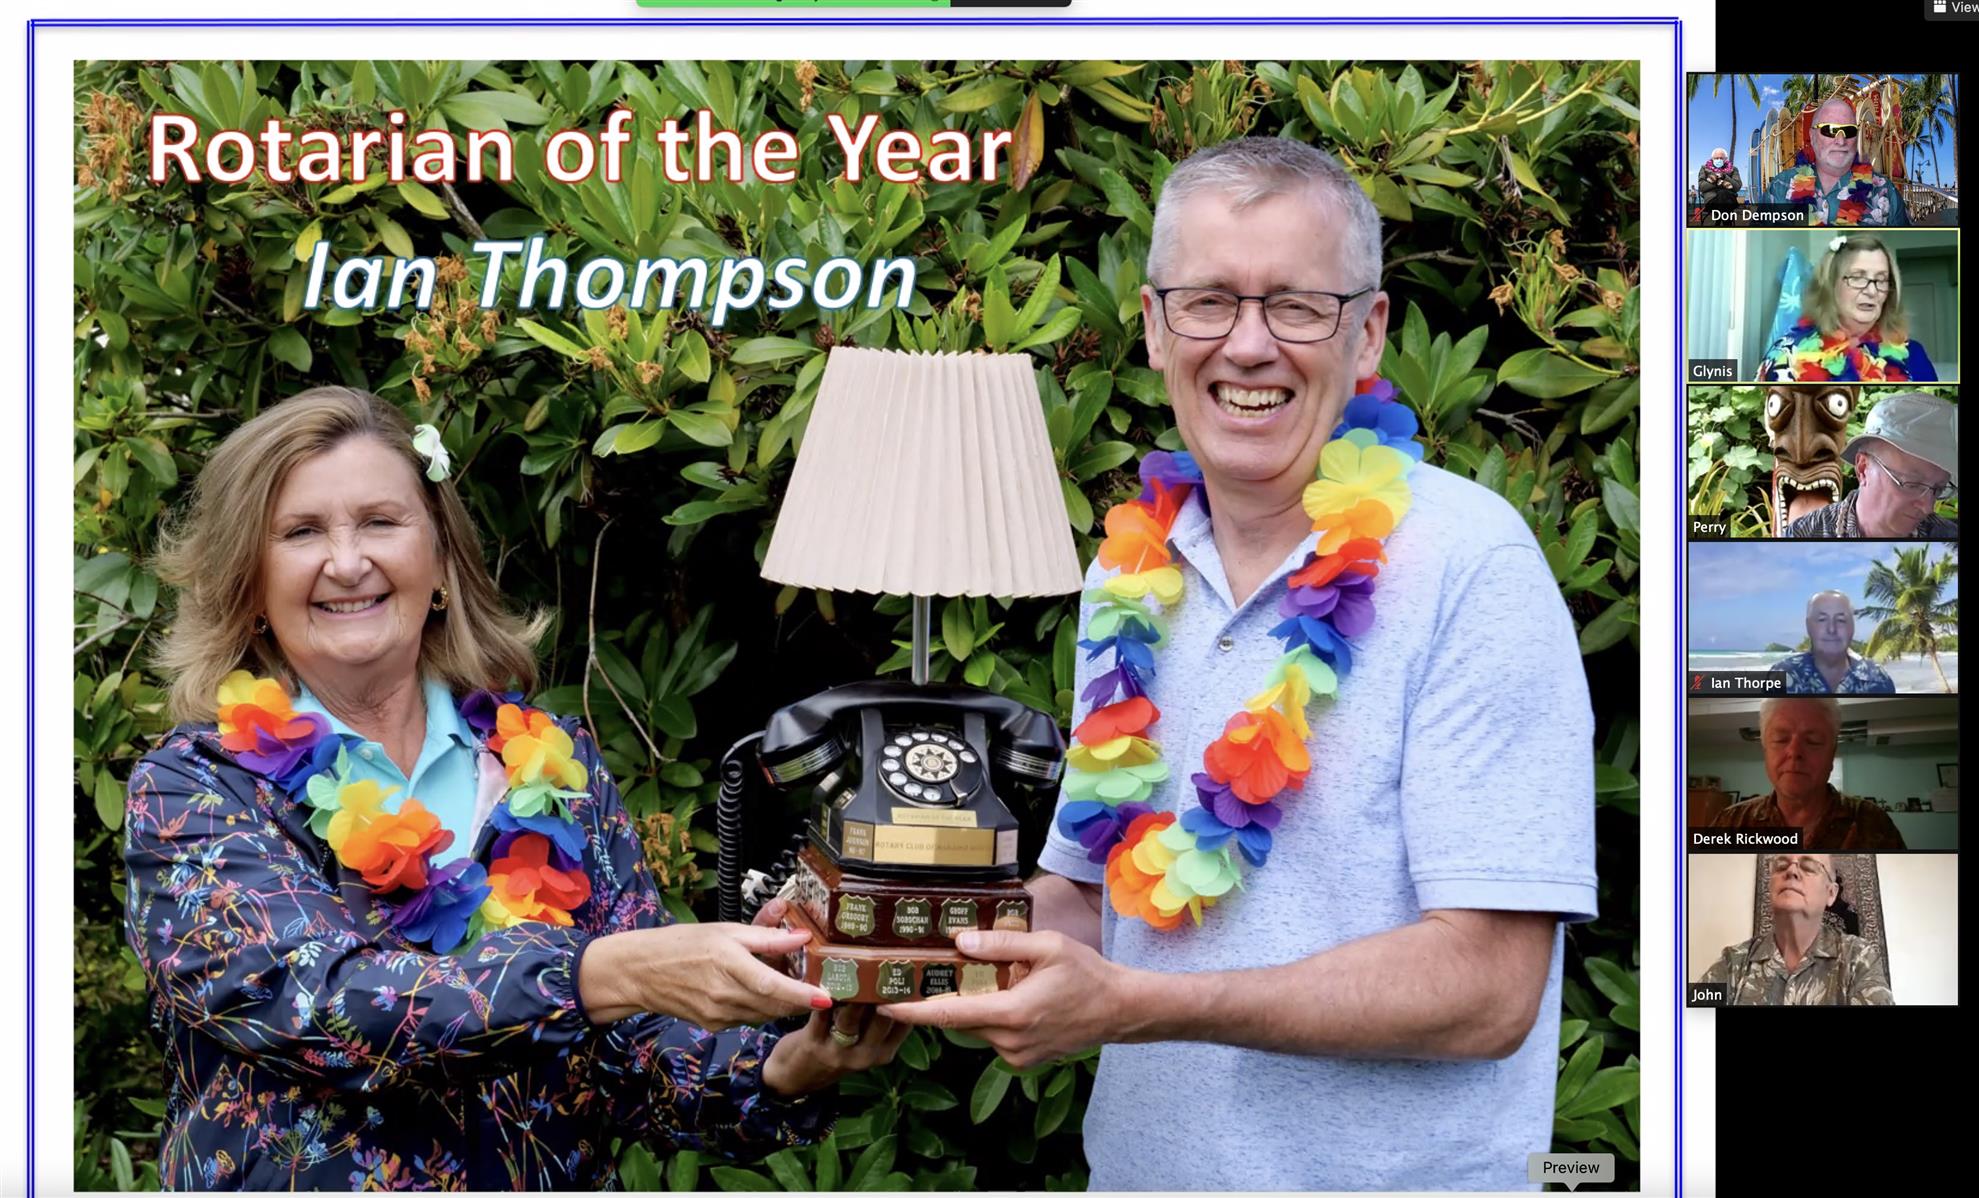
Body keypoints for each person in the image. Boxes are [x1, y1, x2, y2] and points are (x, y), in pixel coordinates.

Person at [878, 137, 1598, 1191]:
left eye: (1296, 305)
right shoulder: (1128, 574)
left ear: (1366, 332)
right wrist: (881, 941)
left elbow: (1487, 988)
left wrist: (1142, 1006)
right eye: (1207, 301)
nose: (1248, 345)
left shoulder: (1469, 562)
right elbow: (1085, 901)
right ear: (1154, 326)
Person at [123, 388, 905, 1190]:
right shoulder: (194, 788)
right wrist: (602, 974)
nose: (348, 562)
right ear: (249, 581)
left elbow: (637, 1051)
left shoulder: (551, 766)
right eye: (301, 532)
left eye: (381, 522)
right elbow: (317, 1009)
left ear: (440, 561)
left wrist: (788, 1066)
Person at [1708, 697, 1906, 849]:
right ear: (1765, 750)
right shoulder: (1730, 824)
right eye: (1781, 739)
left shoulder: (1873, 823)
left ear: (1832, 754)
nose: (1794, 752)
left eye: (1813, 741)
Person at [1698, 854, 1895, 1005]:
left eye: (1809, 867)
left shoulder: (1859, 958)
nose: (1791, 871)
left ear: (1831, 893)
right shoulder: (1732, 962)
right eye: (1781, 865)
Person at [1758, 234, 1937, 382]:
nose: (1872, 291)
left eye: (1881, 279)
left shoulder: (1913, 355)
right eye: (1857, 277)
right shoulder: (1785, 355)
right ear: (1830, 285)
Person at [1784, 390, 1958, 538]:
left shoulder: (1948, 538)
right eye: (1912, 484)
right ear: (1863, 468)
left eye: (1938, 489)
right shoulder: (1804, 535)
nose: (1927, 507)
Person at [1760, 97, 1911, 226]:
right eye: (1830, 130)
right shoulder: (1780, 188)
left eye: (1849, 131)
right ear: (1812, 136)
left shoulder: (1885, 192)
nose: (1840, 141)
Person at [1770, 590, 1895, 693]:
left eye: (1841, 620)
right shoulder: (1782, 674)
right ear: (1808, 625)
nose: (1831, 629)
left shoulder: (1877, 677)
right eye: (1822, 619)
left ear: (1852, 626)